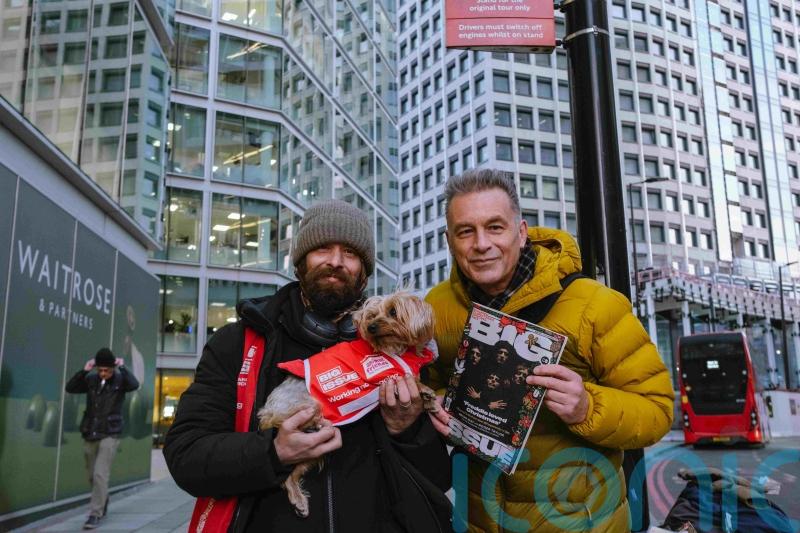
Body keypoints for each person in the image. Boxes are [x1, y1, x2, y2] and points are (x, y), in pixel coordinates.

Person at [164, 199, 450, 532]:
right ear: (300, 261)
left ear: (365, 270)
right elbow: (186, 456)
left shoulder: (401, 355)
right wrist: (272, 453)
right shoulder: (238, 344)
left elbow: (438, 478)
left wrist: (408, 430)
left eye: (351, 253)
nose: (336, 262)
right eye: (322, 248)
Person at [425, 169, 675, 532]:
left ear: (521, 232)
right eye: (466, 231)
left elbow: (657, 409)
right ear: (450, 240)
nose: (481, 244)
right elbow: (426, 388)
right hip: (480, 521)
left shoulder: (594, 305)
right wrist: (443, 406)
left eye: (495, 227)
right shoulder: (436, 309)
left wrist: (587, 407)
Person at [65, 347, 139, 530]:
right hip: (90, 432)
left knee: (100, 474)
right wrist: (85, 370)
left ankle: (95, 514)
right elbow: (71, 387)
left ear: (113, 368)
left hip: (110, 434)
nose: (104, 373)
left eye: (107, 370)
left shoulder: (120, 380)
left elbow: (134, 384)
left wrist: (122, 368)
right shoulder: (91, 380)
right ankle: (102, 500)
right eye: (101, 370)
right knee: (91, 475)